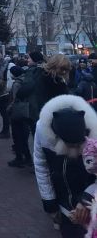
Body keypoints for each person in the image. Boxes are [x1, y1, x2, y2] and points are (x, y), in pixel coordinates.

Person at [34, 94, 96, 237]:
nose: (74, 148)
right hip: (65, 207)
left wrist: (87, 198)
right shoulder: (43, 132)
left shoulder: (93, 133)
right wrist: (49, 202)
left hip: (92, 205)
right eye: (70, 145)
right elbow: (41, 165)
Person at [18, 54, 71, 135]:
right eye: (62, 69)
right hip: (45, 118)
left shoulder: (41, 75)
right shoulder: (54, 81)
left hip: (39, 117)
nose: (64, 72)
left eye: (65, 70)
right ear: (55, 66)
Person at [7, 65, 32, 168]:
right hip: (26, 111)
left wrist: (9, 108)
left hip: (17, 112)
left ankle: (19, 158)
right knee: (24, 135)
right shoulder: (26, 80)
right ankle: (27, 157)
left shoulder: (17, 84)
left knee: (17, 135)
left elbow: (15, 99)